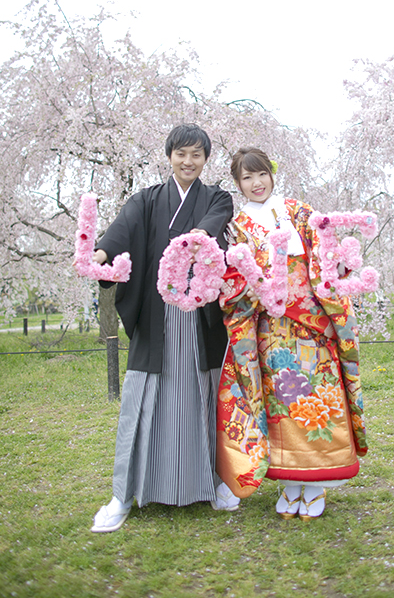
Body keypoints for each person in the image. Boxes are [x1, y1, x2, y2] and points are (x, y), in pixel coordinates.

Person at [91, 123, 240, 532]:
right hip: (156, 314)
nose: (188, 161)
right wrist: (100, 254)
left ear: (206, 159)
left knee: (206, 399)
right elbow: (121, 232)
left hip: (200, 317)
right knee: (141, 402)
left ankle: (215, 483)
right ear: (169, 156)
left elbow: (216, 219)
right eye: (181, 154)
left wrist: (201, 234)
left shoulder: (217, 197)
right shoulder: (146, 200)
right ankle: (123, 494)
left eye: (196, 155)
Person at [216, 148, 368, 520]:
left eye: (261, 174)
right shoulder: (238, 226)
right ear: (238, 184)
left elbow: (325, 254)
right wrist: (251, 289)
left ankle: (316, 485)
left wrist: (333, 266)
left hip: (312, 323)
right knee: (281, 404)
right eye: (247, 178)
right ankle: (289, 484)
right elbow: (234, 278)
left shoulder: (299, 211)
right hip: (271, 328)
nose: (257, 183)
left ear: (272, 174)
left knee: (319, 397)